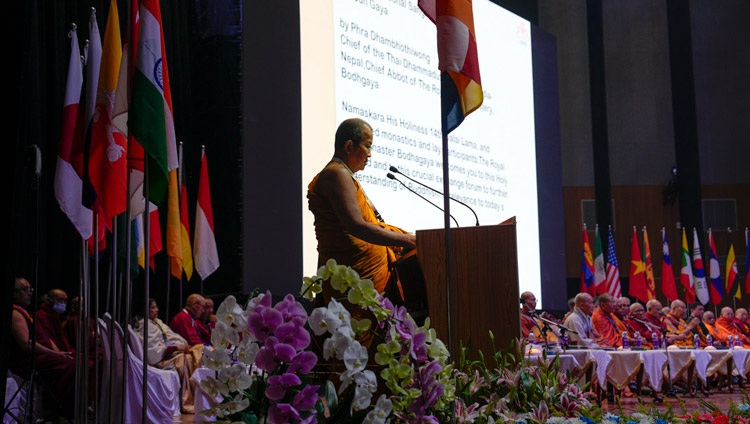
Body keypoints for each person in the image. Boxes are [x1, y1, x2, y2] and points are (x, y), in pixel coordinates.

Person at [307, 118, 416, 346]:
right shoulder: (335, 174)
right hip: (353, 282)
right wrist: (408, 240)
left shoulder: (345, 175)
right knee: (356, 349)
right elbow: (356, 225)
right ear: (349, 146)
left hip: (368, 279)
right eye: (368, 146)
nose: (370, 154)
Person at [9, 277, 77, 420]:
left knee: (71, 363)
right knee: (70, 366)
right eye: (25, 289)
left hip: (39, 356)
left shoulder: (24, 312)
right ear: (14, 293)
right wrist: (54, 354)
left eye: (30, 289)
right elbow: (26, 344)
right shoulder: (15, 313)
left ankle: (59, 409)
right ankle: (57, 410)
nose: (29, 293)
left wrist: (59, 353)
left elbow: (47, 339)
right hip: (25, 360)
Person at [136, 298, 204, 414]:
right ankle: (188, 400)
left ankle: (200, 398)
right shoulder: (145, 326)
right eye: (153, 307)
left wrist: (182, 345)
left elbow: (172, 336)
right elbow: (152, 352)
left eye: (156, 307)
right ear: (144, 310)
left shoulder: (157, 322)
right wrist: (176, 348)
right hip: (161, 360)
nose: (156, 310)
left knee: (199, 352)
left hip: (170, 354)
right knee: (186, 360)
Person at [35, 288, 73, 353]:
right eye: (60, 300)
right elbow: (47, 340)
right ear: (49, 301)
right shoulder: (42, 316)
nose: (63, 303)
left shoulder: (56, 316)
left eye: (65, 300)